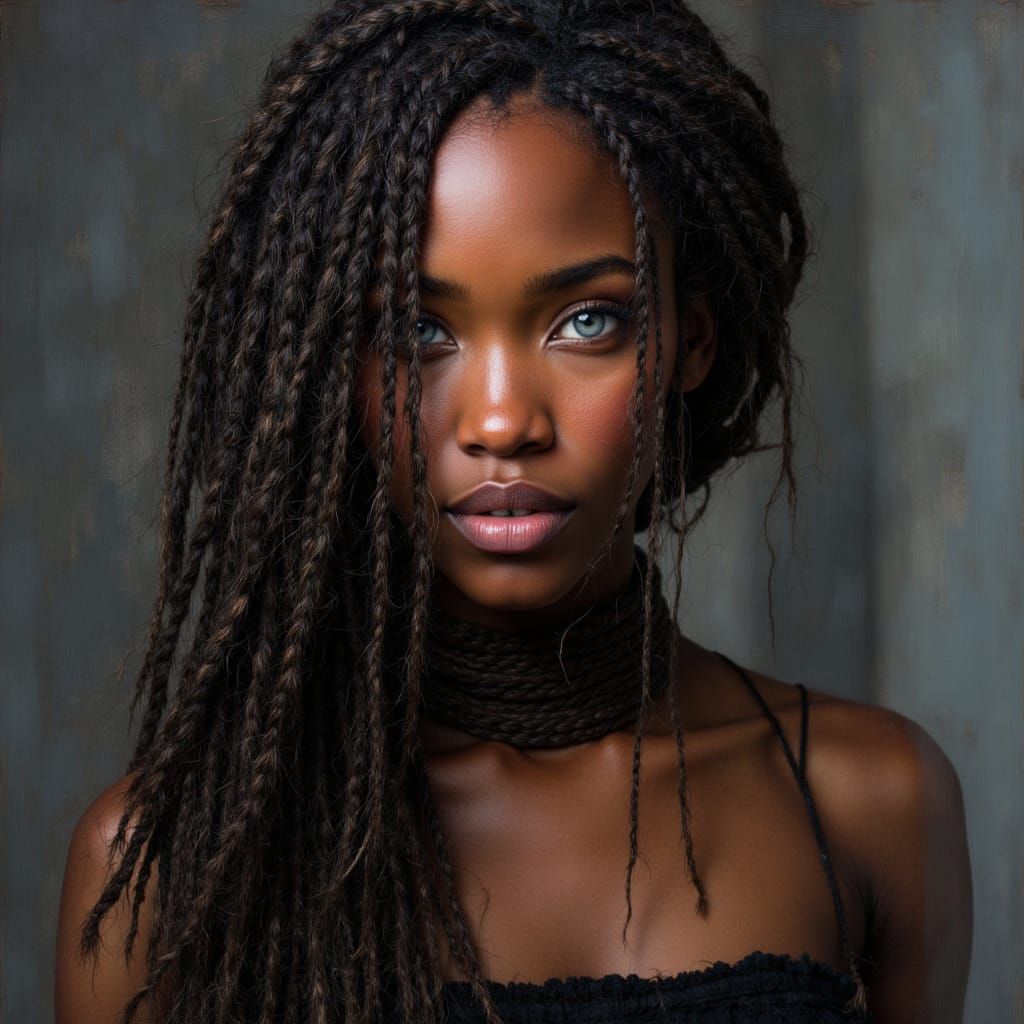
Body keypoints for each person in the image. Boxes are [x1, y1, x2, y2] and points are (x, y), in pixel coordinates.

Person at [54, 1, 973, 1022]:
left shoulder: (871, 801)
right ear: (332, 369)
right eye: (415, 327)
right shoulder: (163, 870)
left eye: (588, 320)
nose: (501, 419)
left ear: (692, 342)